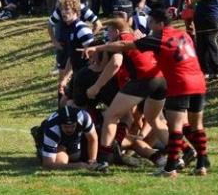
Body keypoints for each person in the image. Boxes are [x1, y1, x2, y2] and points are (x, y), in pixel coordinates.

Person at [82, 9, 210, 176]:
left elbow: (118, 57)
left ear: (160, 24)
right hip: (194, 80)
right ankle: (199, 159)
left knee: (112, 115)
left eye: (151, 23)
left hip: (170, 82)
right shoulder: (182, 35)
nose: (148, 26)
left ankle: (105, 159)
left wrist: (97, 51)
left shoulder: (155, 37)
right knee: (173, 122)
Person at [80, 19, 168, 172]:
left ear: (117, 31)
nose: (108, 35)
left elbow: (115, 62)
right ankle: (183, 153)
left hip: (143, 80)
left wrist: (96, 87)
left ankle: (104, 160)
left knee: (111, 116)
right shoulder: (136, 38)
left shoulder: (122, 41)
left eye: (109, 31)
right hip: (160, 79)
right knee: (155, 120)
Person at [34, 106, 98, 170]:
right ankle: (41, 145)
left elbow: (92, 139)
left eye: (73, 126)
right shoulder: (52, 129)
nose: (69, 130)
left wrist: (93, 160)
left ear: (77, 122)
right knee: (60, 161)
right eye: (66, 127)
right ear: (60, 124)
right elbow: (47, 165)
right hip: (57, 140)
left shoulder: (84, 117)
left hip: (71, 139)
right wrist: (78, 166)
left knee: (75, 157)